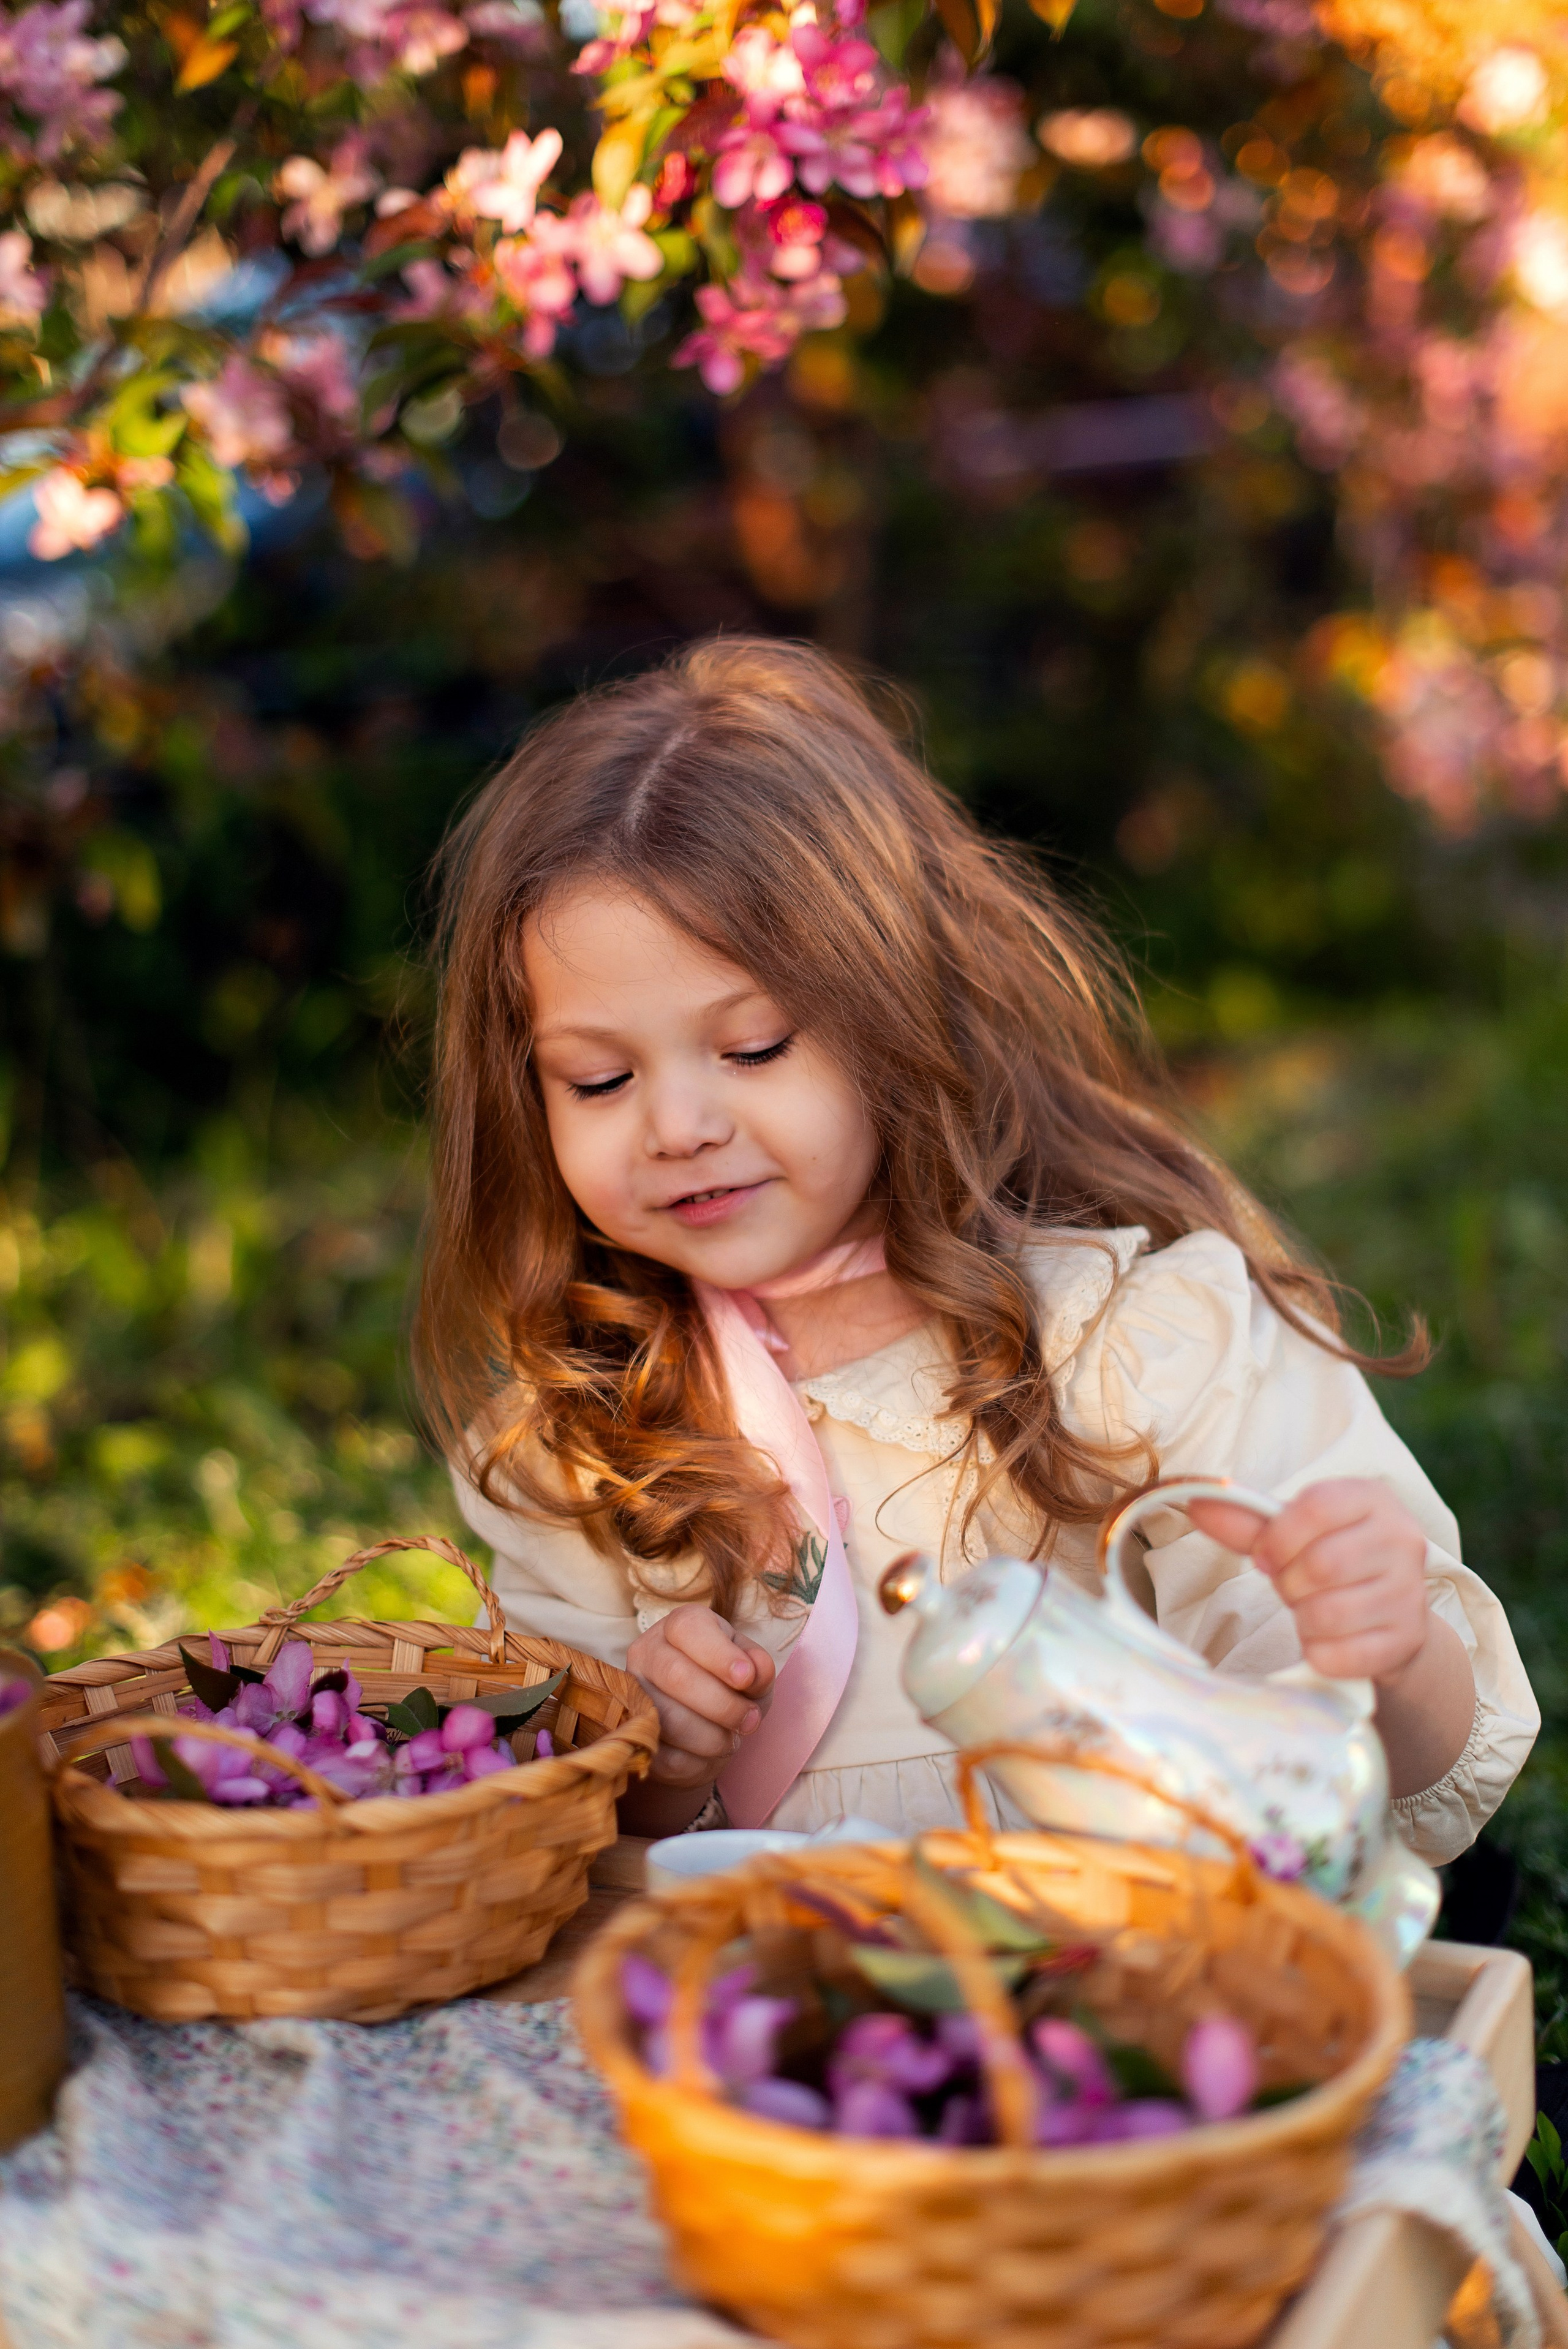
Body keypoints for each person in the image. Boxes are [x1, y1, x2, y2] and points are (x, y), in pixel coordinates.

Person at [416, 636, 1537, 1863]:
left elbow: (1394, 1786)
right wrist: (649, 1756)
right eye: (600, 1076)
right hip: (772, 2014)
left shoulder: (1130, 1340)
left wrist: (1380, 1652)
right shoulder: (575, 1440)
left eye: (752, 1050)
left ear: (895, 1016)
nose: (678, 1125)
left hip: (1137, 1986)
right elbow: (543, 1842)